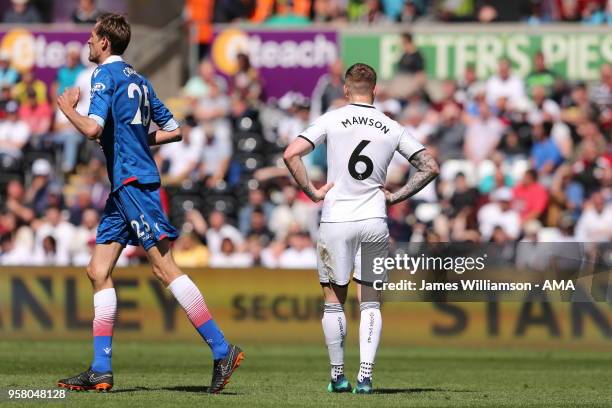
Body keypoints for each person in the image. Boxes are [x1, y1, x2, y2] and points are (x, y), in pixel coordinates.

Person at [55, 13, 243, 394]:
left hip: (133, 183)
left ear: (105, 42)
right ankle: (101, 369)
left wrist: (67, 107)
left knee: (163, 267)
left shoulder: (103, 77)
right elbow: (174, 131)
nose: (88, 44)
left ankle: (222, 348)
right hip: (125, 186)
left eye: (92, 38)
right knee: (97, 269)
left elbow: (92, 129)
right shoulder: (140, 80)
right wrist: (135, 137)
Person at [283, 63, 439, 393]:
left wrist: (312, 191)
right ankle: (365, 377)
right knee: (370, 300)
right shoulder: (390, 126)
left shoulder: (332, 118)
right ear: (376, 90)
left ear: (345, 90)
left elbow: (291, 154)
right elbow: (429, 166)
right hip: (373, 219)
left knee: (333, 298)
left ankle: (338, 376)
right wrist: (395, 196)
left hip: (337, 218)